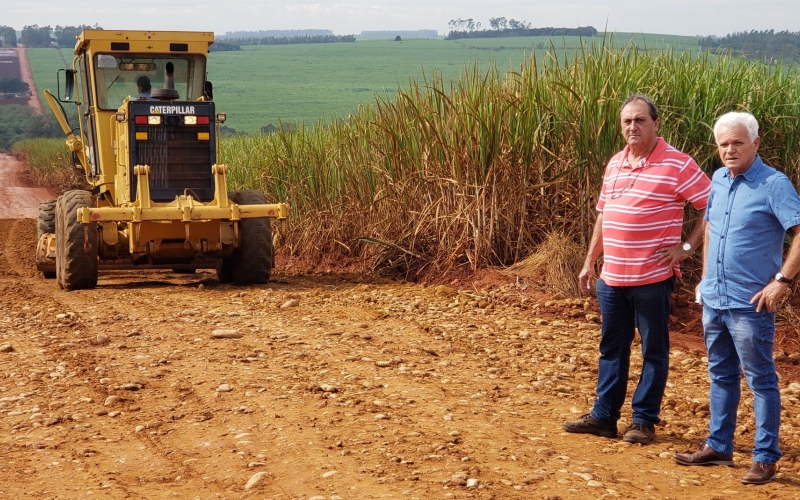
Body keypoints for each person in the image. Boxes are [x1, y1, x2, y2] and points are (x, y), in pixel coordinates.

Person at [561, 94, 711, 445]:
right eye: (627, 121)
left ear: (656, 124)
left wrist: (686, 248)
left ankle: (643, 421)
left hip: (652, 278)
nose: (633, 126)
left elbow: (712, 205)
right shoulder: (615, 163)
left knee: (653, 350)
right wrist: (589, 260)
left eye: (640, 120)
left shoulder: (678, 164)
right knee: (611, 347)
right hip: (611, 278)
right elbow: (604, 214)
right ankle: (604, 416)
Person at [673, 111, 800, 484]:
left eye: (738, 143)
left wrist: (782, 281)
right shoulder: (718, 179)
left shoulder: (773, 184)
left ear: (755, 143)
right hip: (715, 299)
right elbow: (710, 226)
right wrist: (704, 278)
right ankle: (718, 446)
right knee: (720, 374)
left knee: (761, 379)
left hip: (750, 303)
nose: (730, 150)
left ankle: (765, 457)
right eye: (724, 144)